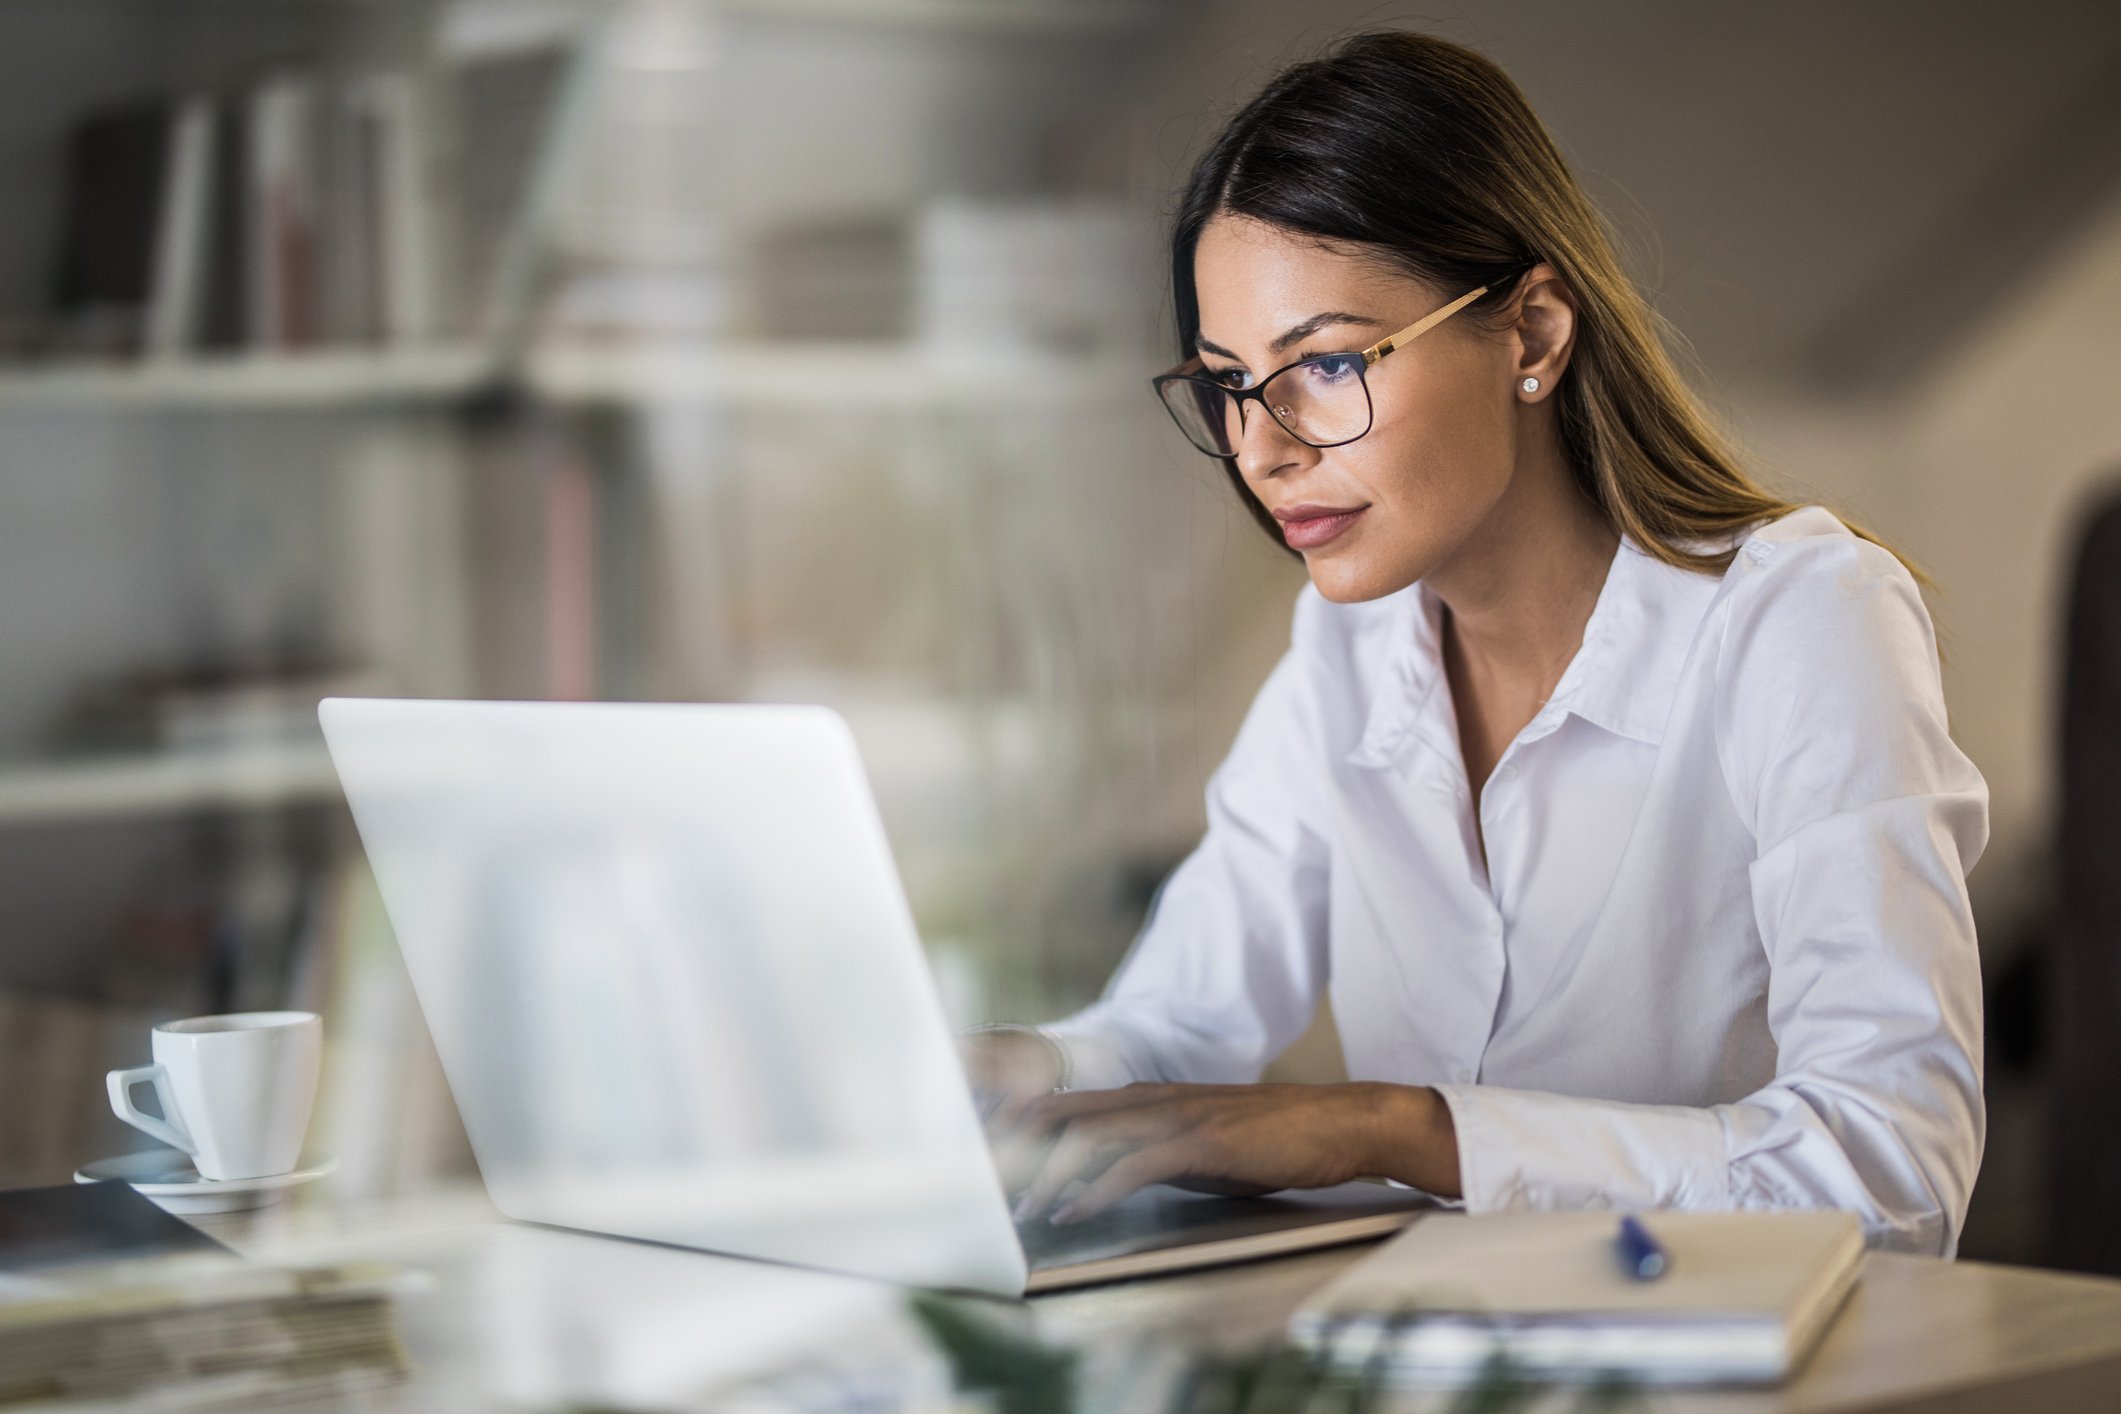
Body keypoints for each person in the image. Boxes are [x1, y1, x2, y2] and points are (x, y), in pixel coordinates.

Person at [963, 29, 1986, 1258]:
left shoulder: (1802, 617)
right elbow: (1183, 1023)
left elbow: (1895, 1169)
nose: (1264, 449)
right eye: (1231, 384)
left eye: (1328, 364)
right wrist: (1017, 1072)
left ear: (1535, 336)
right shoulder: (1349, 654)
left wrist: (1401, 1131)